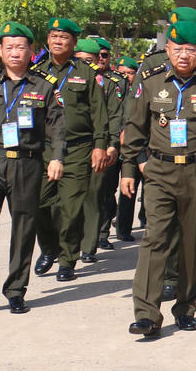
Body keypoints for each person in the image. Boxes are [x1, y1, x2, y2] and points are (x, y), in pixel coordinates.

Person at [121, 20, 196, 337]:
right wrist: (132, 167)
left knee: (190, 242)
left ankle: (185, 308)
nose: (184, 55)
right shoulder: (151, 80)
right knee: (154, 239)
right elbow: (135, 128)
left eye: (191, 49)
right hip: (158, 170)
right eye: (178, 48)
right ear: (167, 49)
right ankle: (146, 313)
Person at [0, 22, 64, 316]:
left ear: (31, 51)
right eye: (9, 47)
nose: (15, 52)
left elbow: (57, 126)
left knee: (23, 228)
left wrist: (57, 157)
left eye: (21, 47)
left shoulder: (44, 85)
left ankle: (16, 290)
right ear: (0, 51)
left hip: (27, 163)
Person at [32, 18, 108, 282]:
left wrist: (100, 146)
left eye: (63, 37)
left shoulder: (85, 72)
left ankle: (67, 260)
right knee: (38, 204)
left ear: (74, 43)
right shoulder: (37, 70)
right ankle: (49, 248)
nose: (57, 41)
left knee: (71, 208)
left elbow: (99, 112)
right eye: (53, 36)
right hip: (44, 148)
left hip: (78, 148)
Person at [72, 38, 124, 264]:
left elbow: (115, 117)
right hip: (70, 147)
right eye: (94, 57)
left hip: (98, 146)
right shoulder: (65, 79)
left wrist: (111, 145)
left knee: (96, 195)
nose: (100, 61)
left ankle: (90, 243)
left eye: (103, 56)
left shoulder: (111, 83)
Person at [112, 56, 143, 242]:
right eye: (122, 73)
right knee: (113, 187)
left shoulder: (141, 90)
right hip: (116, 144)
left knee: (134, 185)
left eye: (130, 73)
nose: (126, 77)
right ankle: (116, 221)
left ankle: (126, 226)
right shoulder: (113, 88)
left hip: (138, 144)